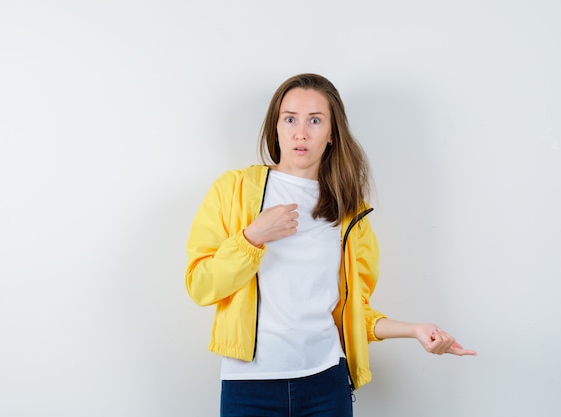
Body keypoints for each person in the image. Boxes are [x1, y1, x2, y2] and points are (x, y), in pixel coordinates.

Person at [185, 73, 476, 417]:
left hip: (325, 385)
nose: (301, 133)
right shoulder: (233, 190)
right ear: (275, 126)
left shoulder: (348, 213)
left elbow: (354, 312)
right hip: (250, 385)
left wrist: (414, 330)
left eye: (315, 121)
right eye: (290, 119)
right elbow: (200, 286)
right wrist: (252, 238)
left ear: (332, 133)